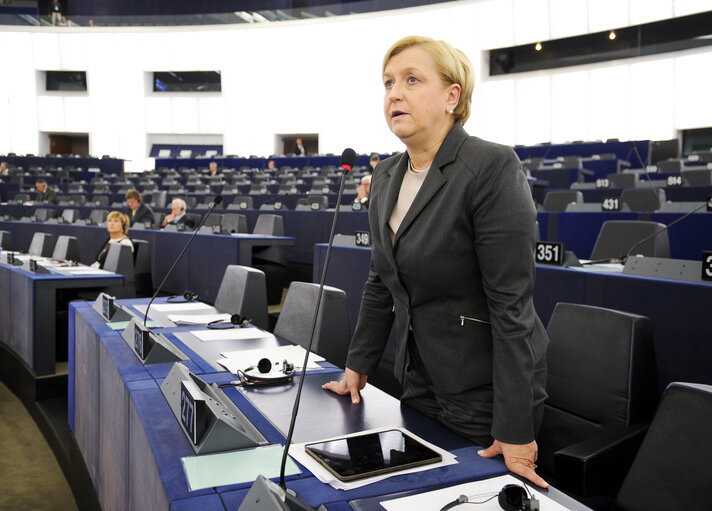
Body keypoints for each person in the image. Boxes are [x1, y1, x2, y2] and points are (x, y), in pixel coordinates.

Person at [322, 36, 549, 488]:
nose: (394, 94)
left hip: (482, 388)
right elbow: (380, 282)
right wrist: (357, 365)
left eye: (411, 80)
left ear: (452, 97)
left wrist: (516, 428)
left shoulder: (491, 167)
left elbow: (512, 309)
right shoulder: (386, 176)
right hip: (417, 374)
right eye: (388, 83)